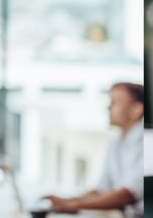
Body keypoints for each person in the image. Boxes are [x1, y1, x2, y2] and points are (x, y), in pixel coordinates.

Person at [44, 82, 144, 218]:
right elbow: (102, 189)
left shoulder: (146, 142)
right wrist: (69, 201)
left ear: (136, 109)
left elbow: (128, 194)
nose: (108, 107)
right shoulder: (116, 141)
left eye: (114, 102)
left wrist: (75, 204)